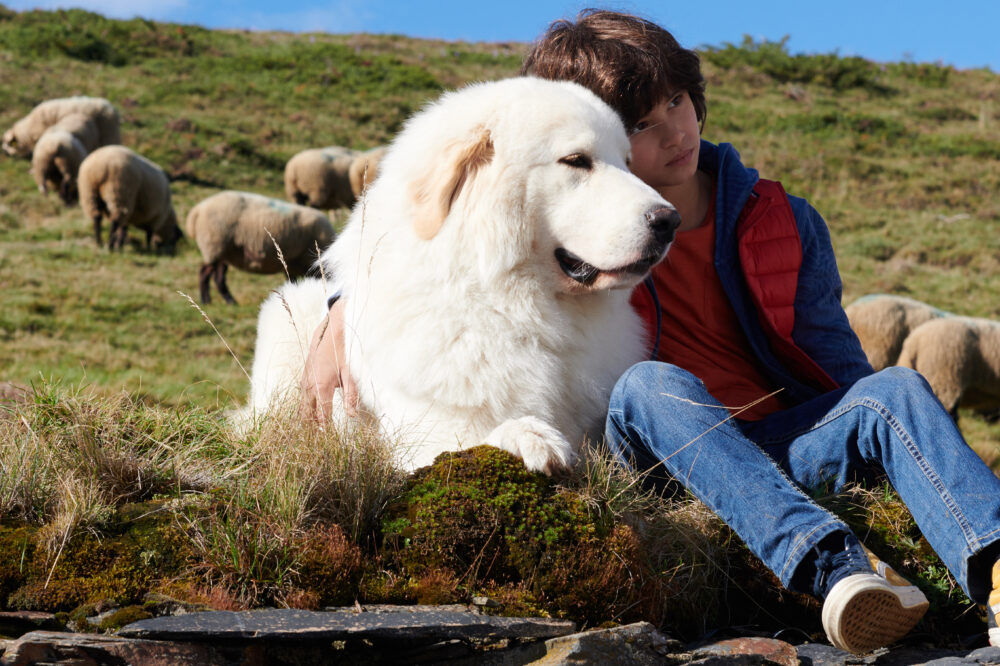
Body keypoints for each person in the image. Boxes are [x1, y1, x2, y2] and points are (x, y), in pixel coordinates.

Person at [300, 8, 1000, 653]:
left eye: (677, 100)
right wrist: (340, 305)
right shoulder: (600, 227)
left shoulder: (782, 220)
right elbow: (427, 214)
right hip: (669, 455)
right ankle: (837, 569)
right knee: (649, 384)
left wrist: (875, 446)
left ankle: (996, 581)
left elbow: (837, 374)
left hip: (774, 447)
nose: (676, 130)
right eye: (641, 122)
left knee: (897, 390)